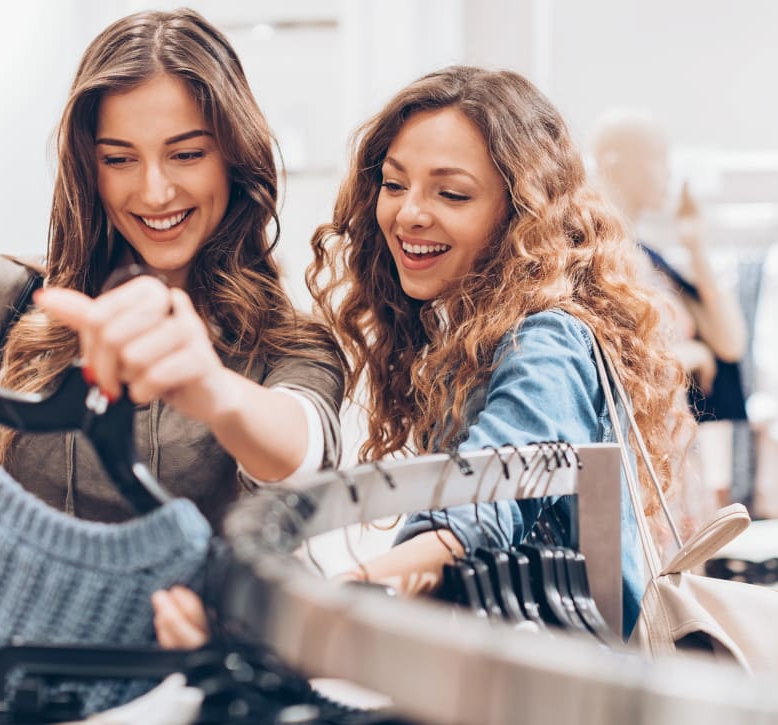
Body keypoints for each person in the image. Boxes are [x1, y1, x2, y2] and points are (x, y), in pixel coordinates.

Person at [0, 8, 344, 641]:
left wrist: (214, 390)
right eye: (119, 159)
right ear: (86, 167)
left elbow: (299, 449)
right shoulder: (7, 301)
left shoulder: (293, 347)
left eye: (185, 154)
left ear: (233, 158)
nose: (154, 192)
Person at [153, 65, 693, 648]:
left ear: (522, 213)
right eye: (394, 184)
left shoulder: (545, 342)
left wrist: (319, 605)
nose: (409, 212)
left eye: (452, 193)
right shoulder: (464, 335)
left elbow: (487, 498)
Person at [590, 109, 747, 519]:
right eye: (657, 157)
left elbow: (730, 343)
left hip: (673, 457)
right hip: (640, 464)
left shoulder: (647, 256)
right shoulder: (595, 253)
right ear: (614, 163)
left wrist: (696, 245)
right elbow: (609, 367)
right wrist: (691, 355)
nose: (667, 172)